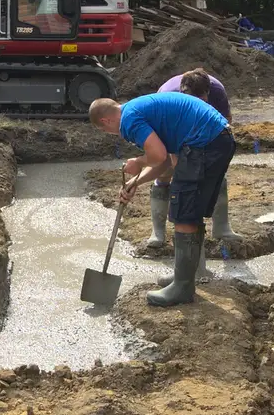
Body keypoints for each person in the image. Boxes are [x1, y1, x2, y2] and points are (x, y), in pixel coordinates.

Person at [89, 91, 236, 307]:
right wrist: (134, 183)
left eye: (105, 130)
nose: (112, 133)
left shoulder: (129, 120)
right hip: (215, 140)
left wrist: (138, 162)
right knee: (189, 209)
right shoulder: (136, 109)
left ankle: (183, 287)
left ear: (106, 120)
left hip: (205, 143)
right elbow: (165, 161)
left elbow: (156, 155)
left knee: (183, 214)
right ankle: (184, 277)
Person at [144, 69, 240, 250]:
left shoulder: (217, 90)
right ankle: (158, 232)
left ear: (208, 94)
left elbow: (225, 121)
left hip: (204, 133)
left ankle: (221, 227)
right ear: (184, 94)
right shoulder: (168, 96)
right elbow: (164, 134)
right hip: (170, 131)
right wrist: (176, 159)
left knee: (214, 172)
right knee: (166, 172)